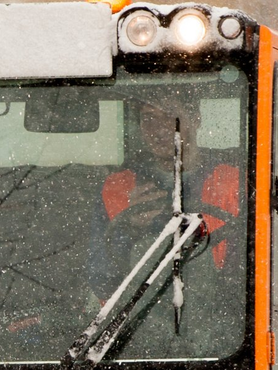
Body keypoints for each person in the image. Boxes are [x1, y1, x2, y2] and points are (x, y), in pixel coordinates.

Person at [85, 93, 241, 314]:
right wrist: (130, 230)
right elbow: (102, 281)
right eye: (148, 118)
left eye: (169, 116)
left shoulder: (234, 182)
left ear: (195, 118)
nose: (157, 128)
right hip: (132, 328)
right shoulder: (117, 189)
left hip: (219, 324)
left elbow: (247, 278)